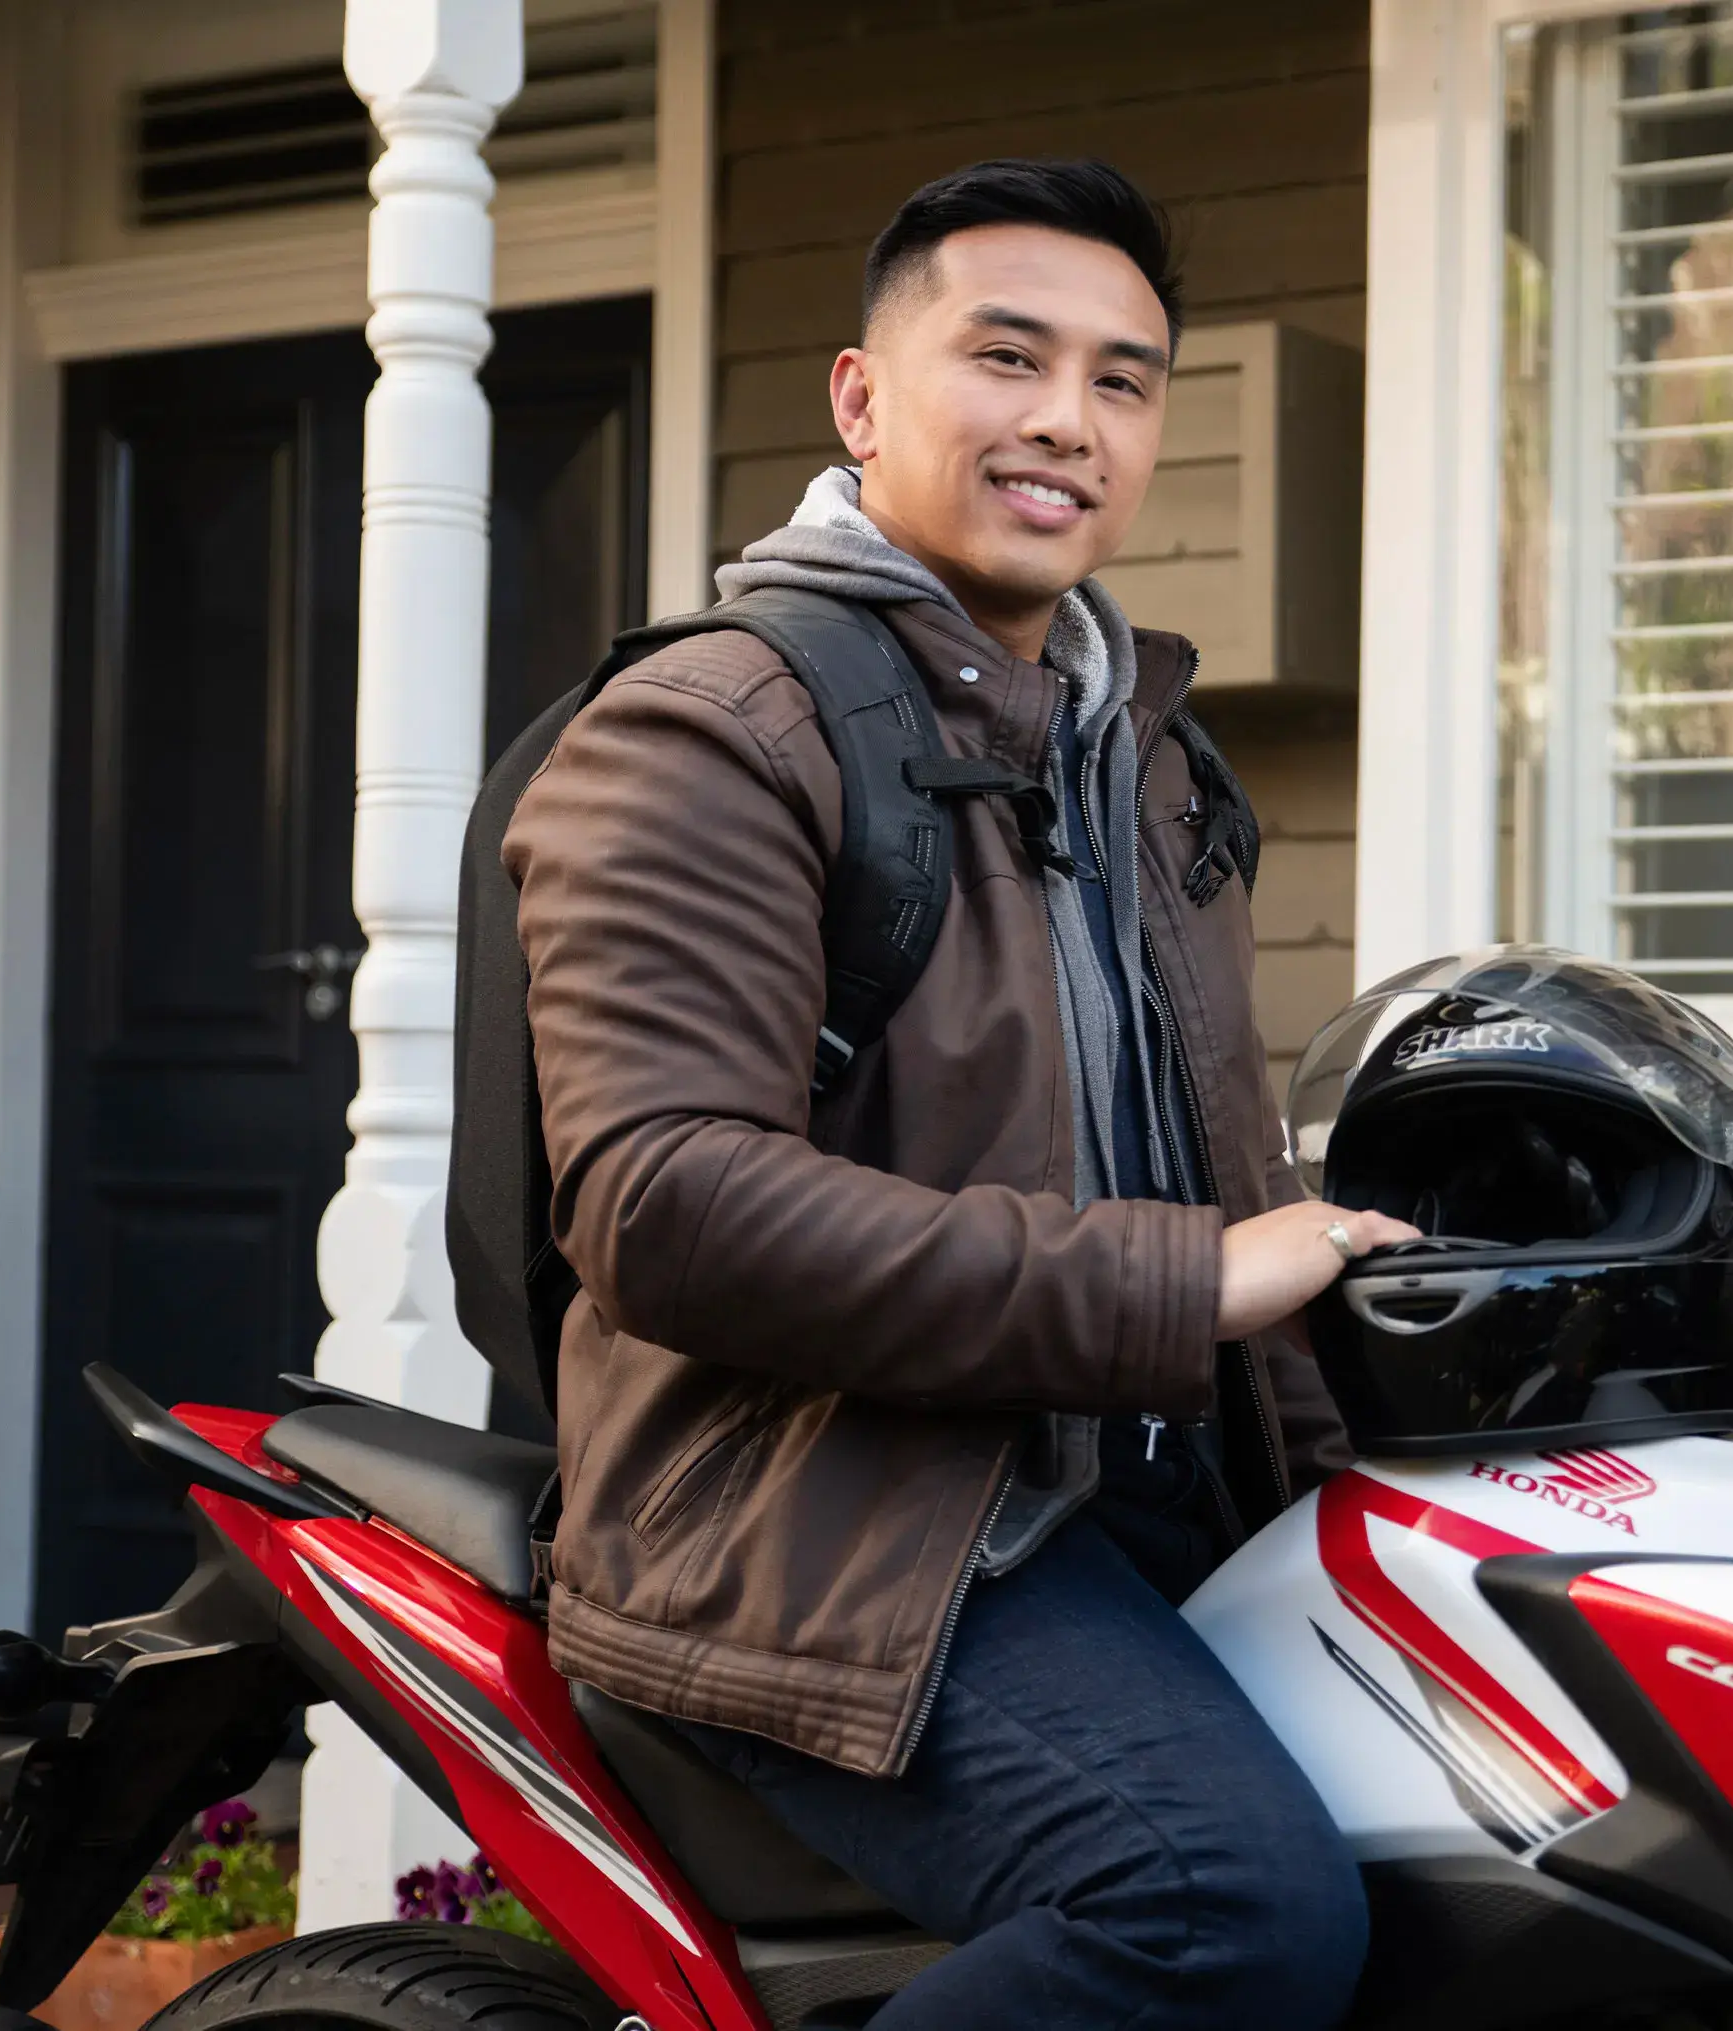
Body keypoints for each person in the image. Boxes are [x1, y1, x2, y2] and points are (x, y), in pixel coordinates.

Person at [503, 158, 1414, 2031]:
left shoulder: (1136, 745)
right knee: (1217, 1906)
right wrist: (1184, 1282)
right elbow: (666, 1198)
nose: (1065, 422)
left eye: (1121, 378)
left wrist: (1354, 1487)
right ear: (861, 395)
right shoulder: (710, 730)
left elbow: (1221, 1154)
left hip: (1135, 1482)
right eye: (1007, 357)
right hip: (823, 1518)